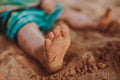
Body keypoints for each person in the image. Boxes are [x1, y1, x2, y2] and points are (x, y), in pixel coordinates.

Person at [0, 0, 112, 73]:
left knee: (65, 11)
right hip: (14, 13)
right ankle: (44, 53)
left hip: (40, 8)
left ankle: (94, 23)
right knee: (27, 30)